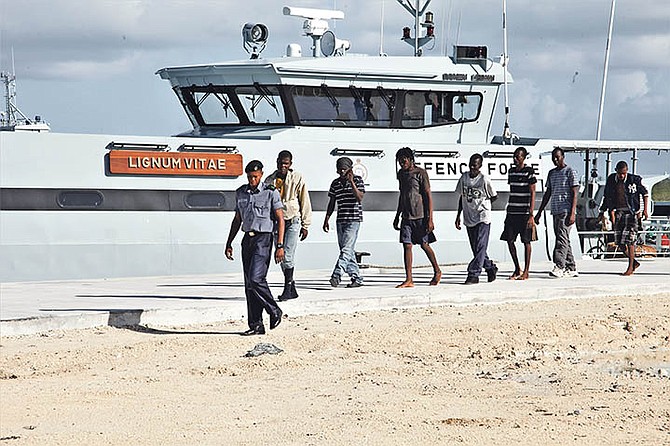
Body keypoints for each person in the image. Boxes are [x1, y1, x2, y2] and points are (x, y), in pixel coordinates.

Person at [225, 160, 285, 336]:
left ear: (261, 175)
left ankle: (274, 310)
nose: (252, 180)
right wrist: (229, 243)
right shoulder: (241, 193)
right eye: (250, 177)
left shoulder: (270, 192)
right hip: (247, 241)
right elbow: (237, 220)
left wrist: (280, 245)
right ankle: (256, 325)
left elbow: (280, 219)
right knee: (249, 285)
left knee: (256, 278)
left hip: (264, 239)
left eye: (255, 177)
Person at [264, 150, 312, 301]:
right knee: (280, 257)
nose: (283, 166)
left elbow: (305, 200)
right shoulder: (269, 180)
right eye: (280, 163)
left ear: (290, 164)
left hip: (292, 219)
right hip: (277, 222)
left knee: (287, 255)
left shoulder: (297, 178)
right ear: (277, 162)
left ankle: (287, 289)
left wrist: (306, 224)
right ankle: (292, 288)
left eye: (286, 163)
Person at [393, 147, 442, 288]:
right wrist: (397, 215)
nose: (402, 163)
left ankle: (437, 271)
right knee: (407, 245)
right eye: (400, 161)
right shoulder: (401, 174)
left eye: (404, 160)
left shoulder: (421, 173)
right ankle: (409, 279)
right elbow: (402, 195)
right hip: (406, 216)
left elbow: (428, 196)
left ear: (411, 159)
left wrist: (430, 218)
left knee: (424, 244)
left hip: (420, 216)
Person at [534, 147, 579, 278]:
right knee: (564, 238)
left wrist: (572, 213)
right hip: (555, 210)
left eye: (557, 157)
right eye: (553, 157)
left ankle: (559, 266)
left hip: (566, 210)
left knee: (561, 239)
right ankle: (571, 267)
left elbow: (575, 193)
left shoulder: (570, 172)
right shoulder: (552, 173)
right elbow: (548, 193)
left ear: (563, 156)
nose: (555, 160)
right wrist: (539, 212)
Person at [598, 160, 649, 276]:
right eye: (620, 173)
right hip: (619, 213)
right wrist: (602, 211)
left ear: (626, 172)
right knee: (619, 242)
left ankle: (630, 267)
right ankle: (634, 262)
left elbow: (645, 193)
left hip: (632, 213)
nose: (622, 176)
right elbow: (607, 197)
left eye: (624, 173)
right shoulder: (611, 180)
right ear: (616, 171)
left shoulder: (634, 180)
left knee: (630, 241)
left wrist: (644, 210)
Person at [455, 153, 498, 284]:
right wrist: (458, 215)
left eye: (475, 165)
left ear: (480, 166)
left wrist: (484, 205)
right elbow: (461, 197)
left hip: (482, 216)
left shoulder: (484, 179)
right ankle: (490, 267)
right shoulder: (464, 178)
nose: (473, 167)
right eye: (471, 165)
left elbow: (494, 196)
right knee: (476, 248)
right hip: (469, 215)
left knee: (480, 245)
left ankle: (473, 274)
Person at [323, 157, 365, 288]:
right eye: (340, 169)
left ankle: (336, 275)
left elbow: (359, 198)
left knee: (346, 250)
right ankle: (357, 278)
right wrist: (327, 218)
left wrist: (351, 182)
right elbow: (332, 202)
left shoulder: (358, 180)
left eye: (345, 169)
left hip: (353, 220)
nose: (342, 171)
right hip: (340, 220)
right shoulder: (335, 183)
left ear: (350, 169)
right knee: (347, 250)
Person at [500, 146, 537, 280]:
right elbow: (513, 190)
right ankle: (517, 268)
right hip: (512, 211)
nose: (515, 159)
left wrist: (531, 214)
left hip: (524, 212)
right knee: (509, 240)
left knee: (526, 241)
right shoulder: (511, 172)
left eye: (518, 156)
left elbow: (532, 192)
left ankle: (526, 271)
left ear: (523, 157)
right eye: (514, 156)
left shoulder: (529, 171)